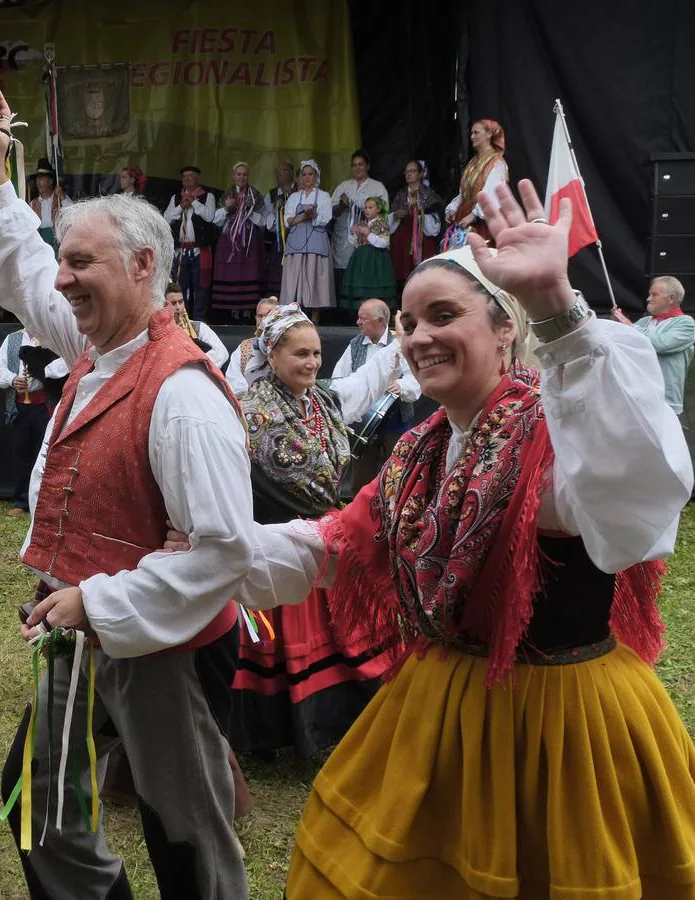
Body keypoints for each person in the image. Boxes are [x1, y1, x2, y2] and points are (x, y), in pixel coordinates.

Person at [218, 181, 695, 897]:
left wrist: (557, 306)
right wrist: (210, 554)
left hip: (563, 723)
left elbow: (634, 502)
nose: (418, 336)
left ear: (504, 329)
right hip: (440, 702)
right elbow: (333, 544)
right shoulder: (420, 452)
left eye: (443, 315)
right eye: (409, 321)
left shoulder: (558, 429)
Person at [0, 89, 254, 899]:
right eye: (64, 260)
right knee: (40, 804)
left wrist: (97, 601)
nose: (62, 280)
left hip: (164, 649)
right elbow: (26, 276)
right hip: (83, 628)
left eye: (82, 263)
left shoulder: (185, 394)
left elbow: (223, 552)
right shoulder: (101, 345)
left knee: (185, 835)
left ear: (141, 267)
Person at [229, 303, 407, 759]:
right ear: (271, 356)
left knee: (343, 638)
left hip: (325, 539)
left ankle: (340, 727)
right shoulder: (246, 411)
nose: (310, 362)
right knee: (283, 646)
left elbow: (363, 386)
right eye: (299, 354)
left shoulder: (323, 402)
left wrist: (400, 344)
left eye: (314, 353)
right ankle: (281, 736)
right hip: (276, 544)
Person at [331, 298, 422, 494]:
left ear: (381, 321)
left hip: (394, 422)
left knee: (397, 477)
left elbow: (415, 377)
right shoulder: (354, 345)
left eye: (363, 318)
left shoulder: (399, 344)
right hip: (362, 425)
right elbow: (339, 378)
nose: (358, 322)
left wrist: (401, 385)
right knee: (361, 480)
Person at [0, 327, 69, 517]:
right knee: (21, 454)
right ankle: (22, 501)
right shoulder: (12, 339)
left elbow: (66, 364)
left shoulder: (51, 336)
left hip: (45, 405)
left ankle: (46, 501)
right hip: (19, 406)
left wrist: (42, 370)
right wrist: (13, 379)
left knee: (44, 454)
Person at [613, 276, 695, 417]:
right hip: (637, 397)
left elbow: (659, 343)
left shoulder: (686, 324)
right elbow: (625, 345)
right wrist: (617, 326)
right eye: (649, 294)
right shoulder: (645, 321)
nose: (648, 299)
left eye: (654, 295)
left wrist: (630, 327)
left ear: (671, 298)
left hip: (665, 401)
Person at [329, 150, 389, 298]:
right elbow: (330, 212)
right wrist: (342, 206)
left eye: (361, 164)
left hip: (366, 237)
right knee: (341, 268)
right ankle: (342, 310)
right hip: (343, 234)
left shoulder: (377, 187)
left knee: (361, 269)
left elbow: (384, 213)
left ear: (368, 166)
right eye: (354, 165)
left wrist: (360, 209)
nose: (357, 168)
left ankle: (359, 308)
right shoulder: (343, 186)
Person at [210, 162, 266, 318]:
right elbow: (216, 220)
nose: (241, 177)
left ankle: (248, 311)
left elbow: (264, 222)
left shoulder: (255, 195)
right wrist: (228, 208)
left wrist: (248, 210)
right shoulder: (227, 194)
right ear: (233, 176)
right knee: (231, 272)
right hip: (229, 241)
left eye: (244, 174)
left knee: (249, 271)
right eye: (239, 174)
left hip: (248, 240)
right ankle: (232, 311)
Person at [280, 160, 335, 322]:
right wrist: (304, 216)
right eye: (304, 174)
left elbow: (326, 219)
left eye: (310, 174)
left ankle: (315, 315)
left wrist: (313, 216)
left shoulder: (324, 196)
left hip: (316, 240)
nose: (307, 177)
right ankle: (294, 315)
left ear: (316, 176)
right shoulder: (294, 197)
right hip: (296, 241)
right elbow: (287, 220)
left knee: (314, 277)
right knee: (294, 279)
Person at [164, 164, 218, 319]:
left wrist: (193, 202)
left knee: (201, 287)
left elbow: (209, 216)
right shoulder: (176, 198)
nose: (187, 179)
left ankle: (200, 322)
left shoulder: (207, 197)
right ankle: (181, 319)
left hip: (199, 250)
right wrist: (182, 206)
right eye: (185, 176)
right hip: (181, 250)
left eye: (191, 176)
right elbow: (166, 218)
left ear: (197, 179)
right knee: (180, 287)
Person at [444, 118, 508, 247]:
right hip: (464, 217)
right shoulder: (473, 162)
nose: (472, 136)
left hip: (482, 223)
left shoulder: (496, 163)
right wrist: (453, 208)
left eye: (476, 132)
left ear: (489, 134)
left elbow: (491, 195)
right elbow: (464, 192)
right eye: (471, 133)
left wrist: (473, 215)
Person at [388, 159, 444, 286]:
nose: (409, 174)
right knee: (402, 274)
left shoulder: (429, 194)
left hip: (421, 239)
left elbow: (436, 221)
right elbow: (390, 217)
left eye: (412, 171)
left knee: (422, 274)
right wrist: (395, 215)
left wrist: (419, 214)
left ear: (420, 174)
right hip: (402, 241)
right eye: (407, 171)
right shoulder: (401, 194)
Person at [341, 196, 396, 307]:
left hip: (375, 258)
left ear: (378, 209)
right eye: (365, 208)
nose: (367, 210)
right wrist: (353, 233)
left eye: (370, 207)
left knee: (374, 283)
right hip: (361, 258)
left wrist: (368, 234)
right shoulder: (363, 223)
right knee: (361, 283)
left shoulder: (382, 223)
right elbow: (355, 243)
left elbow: (384, 242)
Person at [167, 281, 228, 369]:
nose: (178, 307)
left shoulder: (199, 327)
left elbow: (221, 353)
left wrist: (195, 367)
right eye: (173, 303)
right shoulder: (158, 332)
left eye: (180, 302)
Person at [225, 296, 278, 396]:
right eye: (260, 316)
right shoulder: (244, 348)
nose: (263, 320)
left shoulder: (286, 348)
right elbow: (233, 382)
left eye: (268, 316)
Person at [264, 162, 297, 296]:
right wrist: (274, 212)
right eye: (277, 172)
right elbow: (268, 224)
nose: (279, 174)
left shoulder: (299, 191)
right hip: (279, 241)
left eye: (283, 170)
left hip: (296, 238)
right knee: (277, 275)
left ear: (291, 173)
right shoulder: (271, 194)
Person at [29, 158, 63, 252]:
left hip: (57, 239)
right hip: (41, 240)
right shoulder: (33, 203)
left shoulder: (59, 199)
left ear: (51, 181)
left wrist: (63, 197)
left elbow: (73, 212)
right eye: (37, 179)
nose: (38, 182)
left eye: (41, 178)